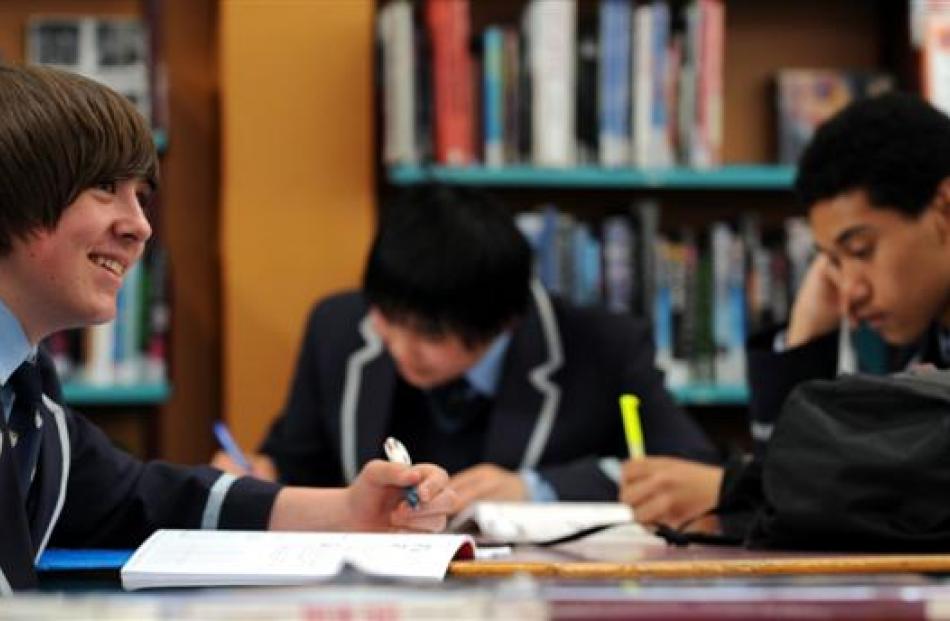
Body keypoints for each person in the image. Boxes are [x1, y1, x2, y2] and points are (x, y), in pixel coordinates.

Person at [0, 63, 454, 593]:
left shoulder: (29, 393)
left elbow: (140, 498)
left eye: (140, 196)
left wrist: (350, 509)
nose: (140, 226)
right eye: (104, 188)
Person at [213, 184, 720, 511]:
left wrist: (535, 490)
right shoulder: (338, 326)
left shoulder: (601, 345)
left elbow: (689, 465)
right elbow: (299, 457)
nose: (399, 347)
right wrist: (259, 473)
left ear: (504, 323)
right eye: (388, 320)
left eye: (430, 336)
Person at [618, 92, 950, 529]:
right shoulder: (908, 336)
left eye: (860, 250)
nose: (850, 289)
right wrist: (803, 340)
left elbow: (909, 499)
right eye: (831, 261)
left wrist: (734, 493)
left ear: (943, 207)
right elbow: (804, 489)